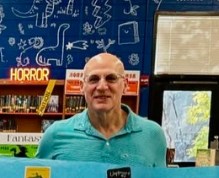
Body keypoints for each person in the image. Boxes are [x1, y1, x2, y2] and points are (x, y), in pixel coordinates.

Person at [36, 53, 167, 167]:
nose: (102, 86)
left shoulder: (153, 135)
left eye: (111, 78)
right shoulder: (55, 135)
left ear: (125, 85)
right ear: (83, 87)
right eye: (93, 79)